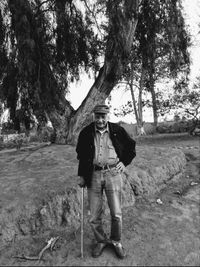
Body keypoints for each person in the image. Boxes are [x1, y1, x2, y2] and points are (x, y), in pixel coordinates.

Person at [76, 104, 136, 259]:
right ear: (94, 116)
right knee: (94, 215)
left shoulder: (117, 130)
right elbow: (81, 154)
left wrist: (124, 162)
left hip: (113, 174)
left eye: (103, 116)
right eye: (98, 116)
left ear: (108, 116)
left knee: (116, 213)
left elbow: (131, 146)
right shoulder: (86, 132)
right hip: (93, 175)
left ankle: (116, 241)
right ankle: (101, 241)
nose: (100, 120)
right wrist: (82, 175)